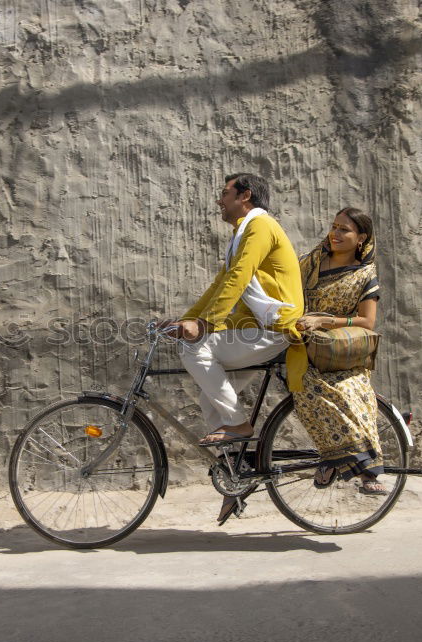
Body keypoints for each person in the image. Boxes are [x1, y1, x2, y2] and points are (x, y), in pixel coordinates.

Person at [163, 173, 308, 521]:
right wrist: (183, 320)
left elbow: (238, 276)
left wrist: (204, 325)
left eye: (224, 193)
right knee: (209, 397)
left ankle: (240, 425)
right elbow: (220, 284)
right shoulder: (242, 232)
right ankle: (237, 477)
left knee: (194, 350)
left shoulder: (260, 227)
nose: (219, 201)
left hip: (274, 326)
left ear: (244, 195)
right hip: (253, 326)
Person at [293, 207, 387, 495]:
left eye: (344, 229)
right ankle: (332, 456)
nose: (335, 233)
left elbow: (367, 321)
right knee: (307, 387)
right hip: (305, 345)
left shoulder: (364, 275)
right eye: (334, 227)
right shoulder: (311, 262)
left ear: (361, 238)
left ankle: (367, 473)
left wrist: (325, 320)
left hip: (342, 352)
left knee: (352, 396)